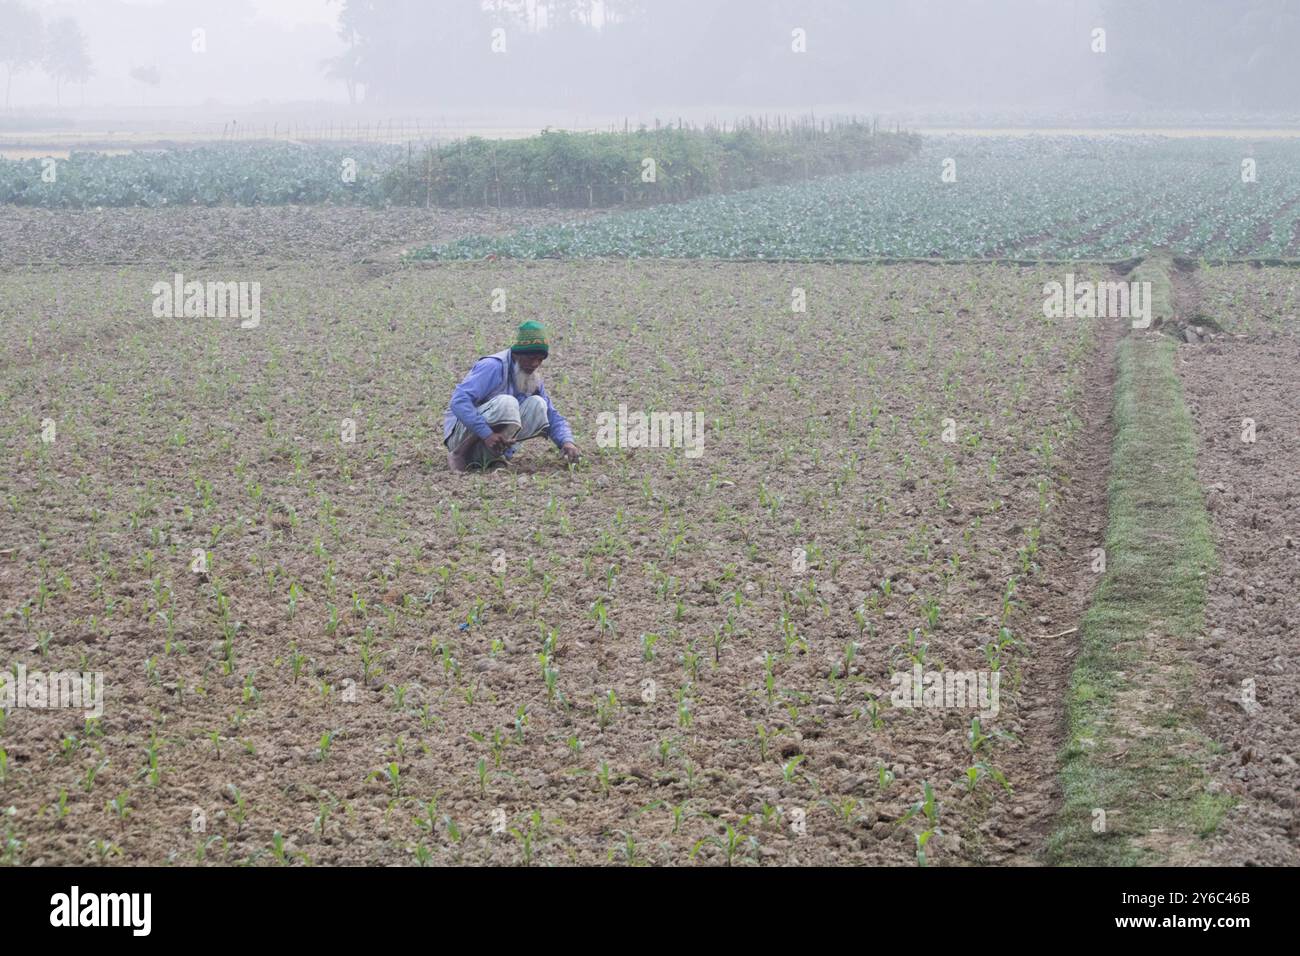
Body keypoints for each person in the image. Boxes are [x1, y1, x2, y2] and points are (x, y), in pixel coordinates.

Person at [443, 320, 581, 472]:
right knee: (508, 403)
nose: (535, 364)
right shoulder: (493, 366)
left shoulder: (532, 378)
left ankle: (493, 456)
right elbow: (459, 401)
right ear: (517, 354)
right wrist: (487, 433)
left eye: (540, 360)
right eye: (531, 358)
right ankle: (459, 454)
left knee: (538, 404)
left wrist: (567, 442)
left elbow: (551, 414)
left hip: (488, 442)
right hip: (461, 436)